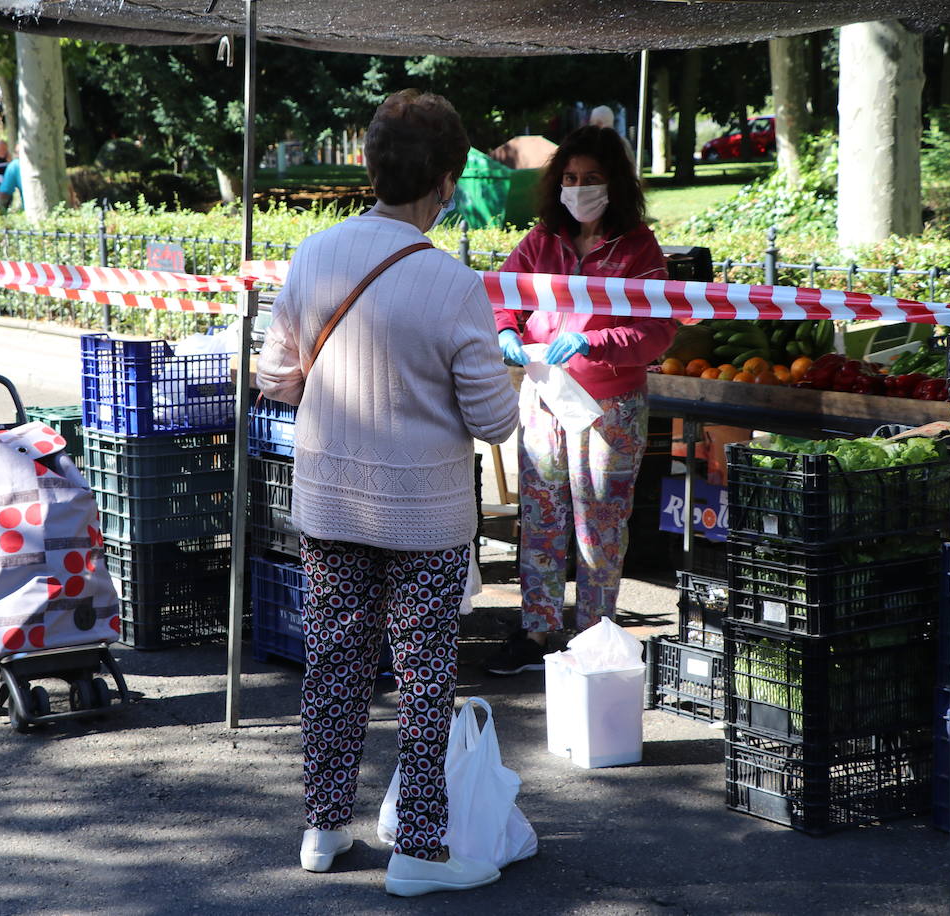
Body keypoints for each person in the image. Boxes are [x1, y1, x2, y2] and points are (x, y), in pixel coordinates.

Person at [257, 89, 518, 897]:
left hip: (331, 502)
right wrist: (506, 364)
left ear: (370, 166)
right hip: (430, 517)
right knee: (425, 674)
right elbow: (495, 420)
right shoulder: (455, 286)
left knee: (333, 664)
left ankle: (323, 827)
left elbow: (274, 379)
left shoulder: (313, 256)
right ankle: (419, 851)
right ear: (445, 180)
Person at [483, 125, 676, 677]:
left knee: (601, 525)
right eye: (569, 178)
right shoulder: (542, 240)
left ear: (615, 183)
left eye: (591, 179)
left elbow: (657, 334)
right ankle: (537, 632)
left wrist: (594, 341)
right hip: (545, 398)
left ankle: (595, 639)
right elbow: (502, 293)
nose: (578, 188)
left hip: (609, 408)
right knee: (541, 518)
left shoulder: (638, 248)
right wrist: (506, 330)